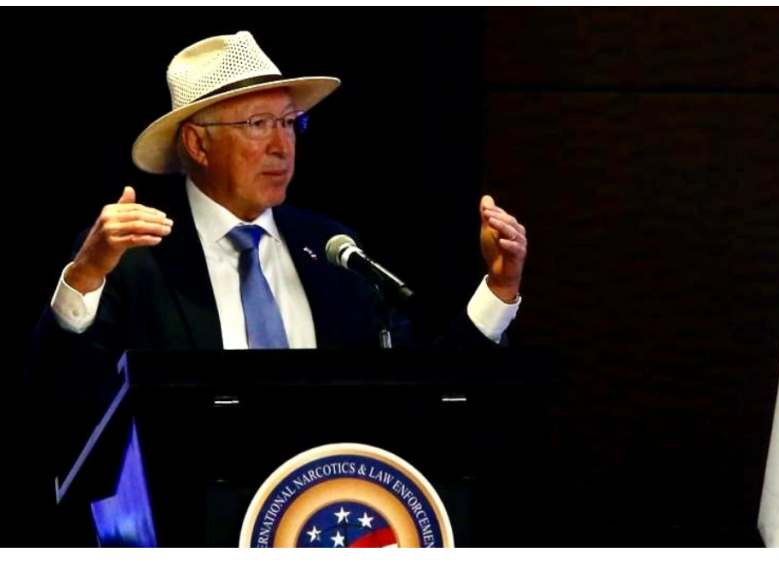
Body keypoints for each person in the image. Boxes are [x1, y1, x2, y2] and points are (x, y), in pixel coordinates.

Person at [26, 31, 527, 449]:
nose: (281, 145)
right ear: (198, 143)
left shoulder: (333, 250)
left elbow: (422, 395)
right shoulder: (136, 260)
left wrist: (498, 291)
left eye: (289, 123)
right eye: (258, 124)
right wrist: (84, 277)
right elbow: (59, 407)